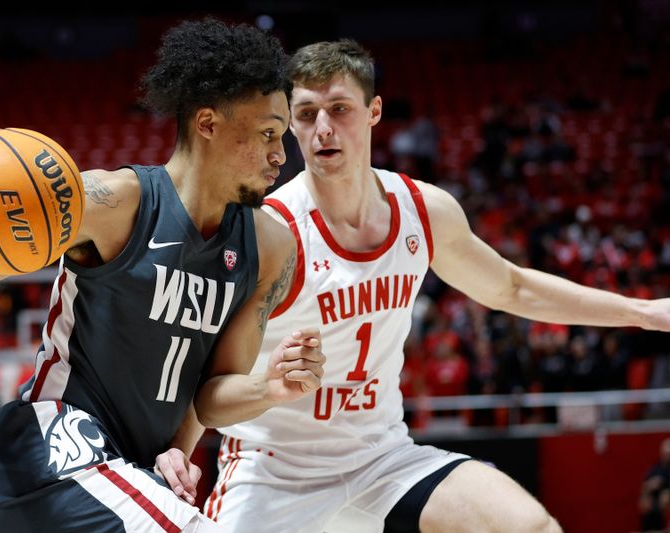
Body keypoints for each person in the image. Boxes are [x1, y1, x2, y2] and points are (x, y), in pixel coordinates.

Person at [199, 39, 670, 532]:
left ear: (373, 111)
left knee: (532, 527)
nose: (323, 129)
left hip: (382, 460)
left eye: (339, 109)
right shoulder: (269, 233)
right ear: (290, 122)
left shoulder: (423, 211)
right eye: (307, 113)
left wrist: (642, 313)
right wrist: (182, 445)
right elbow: (203, 377)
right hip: (275, 472)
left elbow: (511, 287)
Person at [0, 19, 325, 533]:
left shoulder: (271, 247)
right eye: (267, 133)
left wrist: (266, 388)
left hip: (127, 474)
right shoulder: (113, 202)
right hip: (52, 446)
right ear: (209, 123)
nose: (281, 154)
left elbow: (211, 395)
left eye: (282, 136)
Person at [639, 438, 670, 532]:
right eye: (665, 453)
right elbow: (643, 487)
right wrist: (649, 485)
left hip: (665, 500)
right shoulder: (655, 469)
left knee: (665, 498)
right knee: (645, 501)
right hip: (654, 500)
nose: (667, 456)